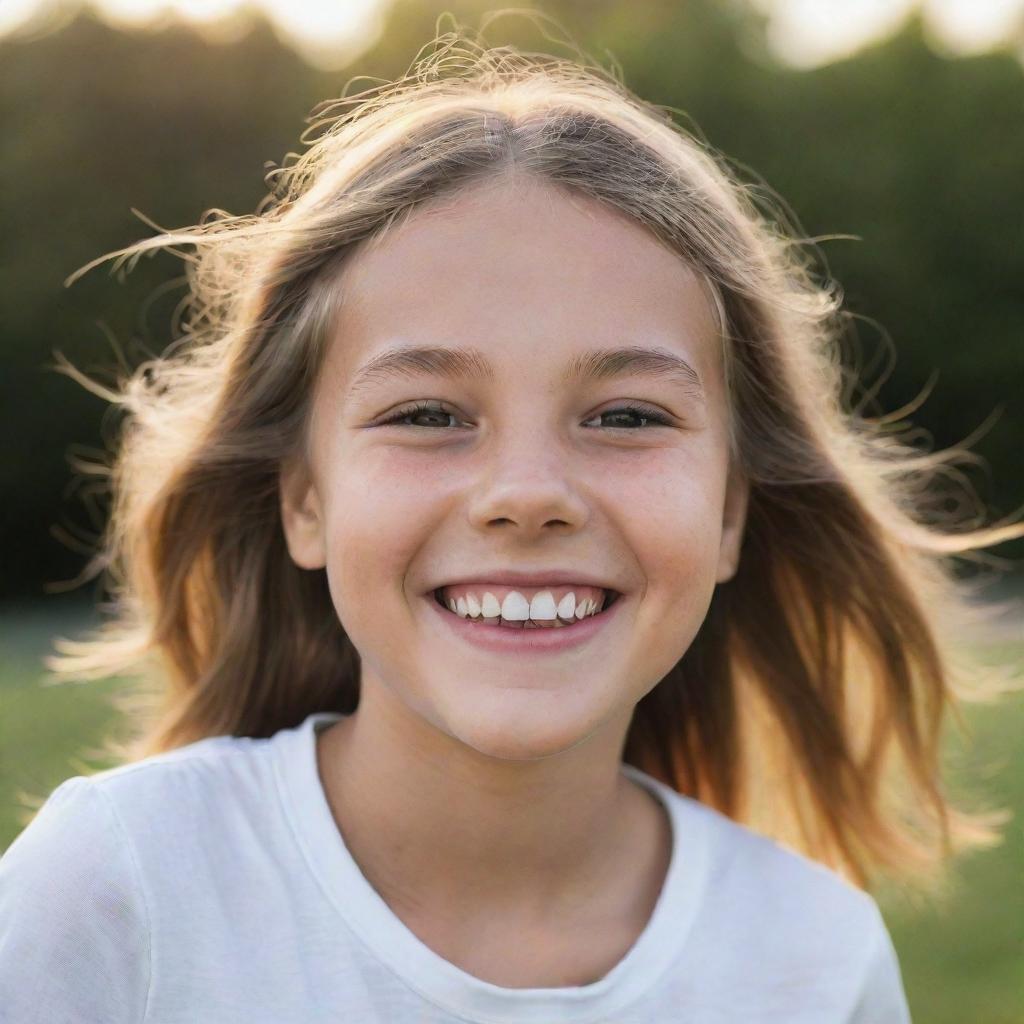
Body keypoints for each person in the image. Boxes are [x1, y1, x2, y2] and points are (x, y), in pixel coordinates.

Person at [2, 19, 1021, 1024]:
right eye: (428, 414)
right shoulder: (122, 886)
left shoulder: (813, 962)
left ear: (729, 512)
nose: (527, 492)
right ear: (304, 498)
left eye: (626, 416)